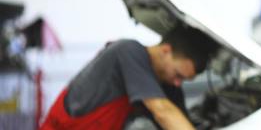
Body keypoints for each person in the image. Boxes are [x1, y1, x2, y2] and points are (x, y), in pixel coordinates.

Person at [40, 26, 219, 130]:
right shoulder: (128, 51)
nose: (178, 83)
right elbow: (163, 111)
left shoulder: (165, 82)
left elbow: (179, 122)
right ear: (166, 51)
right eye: (178, 75)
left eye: (184, 80)